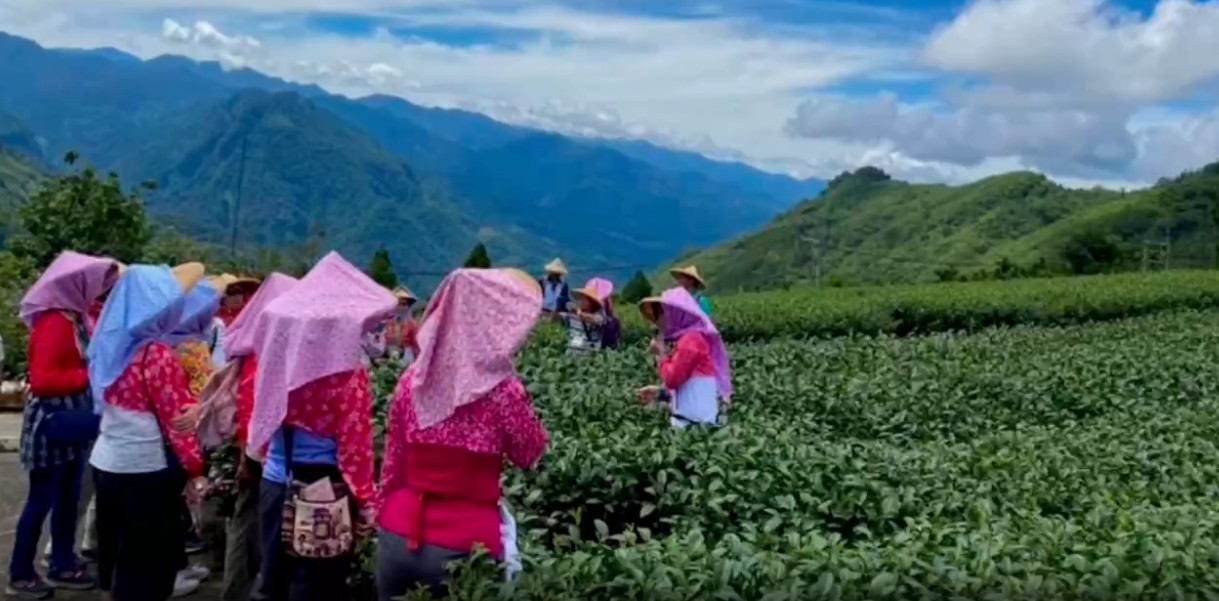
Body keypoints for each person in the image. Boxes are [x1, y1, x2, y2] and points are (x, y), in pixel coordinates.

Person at [377, 268, 548, 600]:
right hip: (464, 546)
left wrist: (381, 515)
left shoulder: (412, 380)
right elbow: (529, 454)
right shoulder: (502, 390)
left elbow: (393, 463)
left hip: (396, 534)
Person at [248, 252, 394, 601]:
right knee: (317, 586)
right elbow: (355, 448)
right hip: (324, 490)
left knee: (273, 580)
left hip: (275, 482)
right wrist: (367, 502)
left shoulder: (278, 366)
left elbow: (262, 422)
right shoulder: (347, 376)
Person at [87, 263, 210, 601]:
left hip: (106, 461)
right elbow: (178, 420)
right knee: (146, 562)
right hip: (146, 468)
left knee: (114, 550)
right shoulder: (155, 354)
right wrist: (195, 469)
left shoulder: (106, 344)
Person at [9, 251, 118, 599]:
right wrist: (88, 375)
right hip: (53, 424)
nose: (99, 288)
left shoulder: (76, 318)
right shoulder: (55, 322)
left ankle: (62, 562)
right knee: (41, 500)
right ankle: (20, 572)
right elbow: (43, 381)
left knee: (68, 498)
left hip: (70, 423)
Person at [212, 272, 298, 601]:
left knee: (251, 521)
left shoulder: (253, 341)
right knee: (253, 522)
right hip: (262, 454)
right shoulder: (269, 350)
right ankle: (240, 590)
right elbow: (251, 404)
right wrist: (250, 454)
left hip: (255, 449)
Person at [635, 288, 733, 428]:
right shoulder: (686, 340)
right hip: (691, 425)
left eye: (660, 313)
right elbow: (687, 384)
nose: (657, 321)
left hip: (696, 427)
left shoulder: (691, 341)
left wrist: (661, 353)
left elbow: (672, 379)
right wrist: (660, 393)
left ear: (674, 313)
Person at [207, 274, 261, 367]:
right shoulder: (211, 317)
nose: (237, 297)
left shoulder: (249, 316)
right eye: (231, 293)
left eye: (240, 292)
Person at [556, 277, 613, 355]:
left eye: (583, 298)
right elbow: (554, 320)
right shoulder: (573, 316)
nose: (580, 300)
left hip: (589, 357)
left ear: (591, 302)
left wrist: (578, 312)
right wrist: (558, 308)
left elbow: (595, 320)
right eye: (580, 298)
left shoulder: (599, 315)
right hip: (571, 355)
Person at [376, 286, 420, 363]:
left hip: (406, 356)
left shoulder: (412, 324)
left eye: (404, 304)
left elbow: (416, 343)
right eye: (398, 303)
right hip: (387, 354)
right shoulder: (387, 322)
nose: (401, 306)